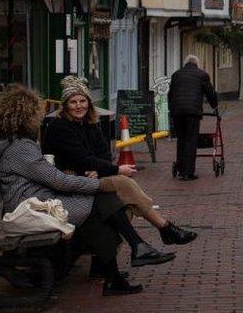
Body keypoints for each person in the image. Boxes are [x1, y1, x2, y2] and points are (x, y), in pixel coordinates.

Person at [0, 85, 174, 297]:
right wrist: (96, 183)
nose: (40, 116)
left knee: (101, 205)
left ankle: (125, 263)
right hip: (32, 207)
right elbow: (57, 180)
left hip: (37, 199)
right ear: (25, 116)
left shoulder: (15, 143)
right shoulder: (21, 148)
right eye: (37, 112)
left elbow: (62, 171)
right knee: (100, 202)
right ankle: (128, 258)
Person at [42, 75, 197, 246]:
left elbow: (104, 154)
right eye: (73, 102)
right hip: (70, 181)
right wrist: (115, 170)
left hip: (90, 178)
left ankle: (153, 236)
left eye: (82, 101)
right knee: (123, 183)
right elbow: (79, 158)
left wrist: (97, 170)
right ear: (65, 106)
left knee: (121, 203)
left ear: (89, 103)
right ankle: (165, 228)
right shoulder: (59, 127)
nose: (79, 106)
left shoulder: (89, 124)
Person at [168, 55, 219, 181]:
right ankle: (188, 172)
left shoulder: (176, 75)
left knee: (181, 139)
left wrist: (171, 109)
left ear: (185, 63)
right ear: (197, 64)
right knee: (191, 140)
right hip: (192, 112)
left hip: (177, 111)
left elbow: (171, 94)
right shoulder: (202, 75)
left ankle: (180, 169)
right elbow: (210, 93)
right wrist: (215, 106)